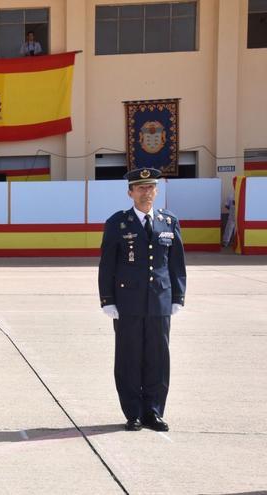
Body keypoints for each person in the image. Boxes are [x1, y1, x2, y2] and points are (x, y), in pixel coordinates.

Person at [98, 167, 186, 432]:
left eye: (150, 187)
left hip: (160, 300)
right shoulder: (118, 223)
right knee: (129, 357)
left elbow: (176, 263)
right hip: (128, 302)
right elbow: (107, 265)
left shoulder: (169, 222)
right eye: (140, 188)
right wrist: (107, 300)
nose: (146, 192)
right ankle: (133, 412)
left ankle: (154, 411)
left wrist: (178, 296)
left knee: (158, 358)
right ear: (130, 192)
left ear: (156, 191)